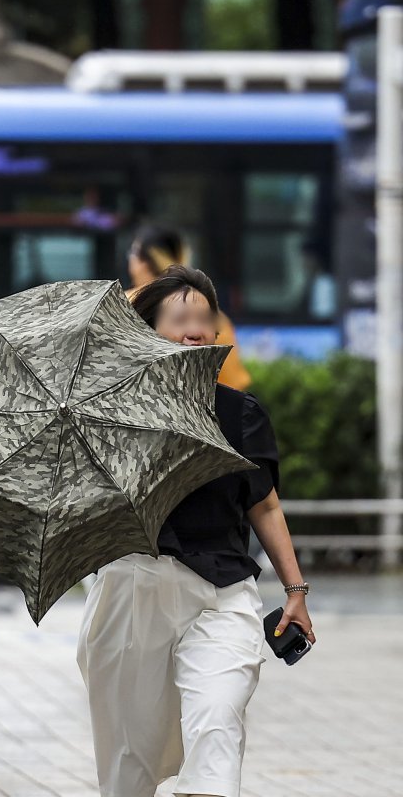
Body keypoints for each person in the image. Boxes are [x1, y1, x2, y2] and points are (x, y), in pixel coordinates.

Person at [77, 265, 315, 797]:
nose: (197, 329)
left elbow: (266, 506)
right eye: (180, 317)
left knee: (217, 724)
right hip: (131, 593)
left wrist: (295, 591)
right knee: (128, 760)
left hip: (221, 594)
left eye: (205, 318)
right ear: (147, 331)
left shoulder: (240, 414)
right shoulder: (108, 415)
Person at [126, 225, 252, 391]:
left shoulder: (124, 306)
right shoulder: (214, 316)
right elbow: (233, 385)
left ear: (141, 263)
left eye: (132, 253)